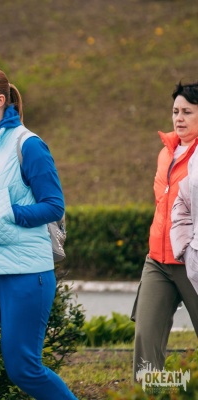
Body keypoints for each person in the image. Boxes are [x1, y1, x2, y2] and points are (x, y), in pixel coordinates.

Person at [0, 65, 77, 399]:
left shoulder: (28, 144)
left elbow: (54, 206)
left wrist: (8, 213)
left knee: (23, 368)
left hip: (24, 273)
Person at [134, 81, 198, 382]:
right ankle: (147, 394)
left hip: (192, 262)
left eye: (187, 112)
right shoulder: (166, 153)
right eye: (175, 111)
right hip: (158, 261)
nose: (179, 118)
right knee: (145, 339)